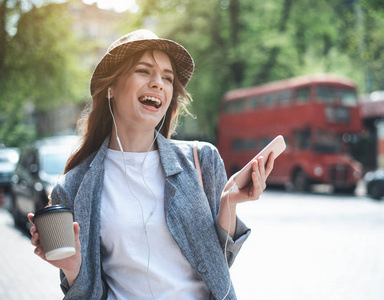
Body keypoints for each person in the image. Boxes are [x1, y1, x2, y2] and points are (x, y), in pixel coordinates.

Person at [28, 29, 275, 300]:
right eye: (144, 71)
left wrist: (229, 204)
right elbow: (86, 294)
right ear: (111, 87)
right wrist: (73, 268)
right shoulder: (73, 187)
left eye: (167, 78)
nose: (158, 83)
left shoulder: (202, 160)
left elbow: (219, 266)